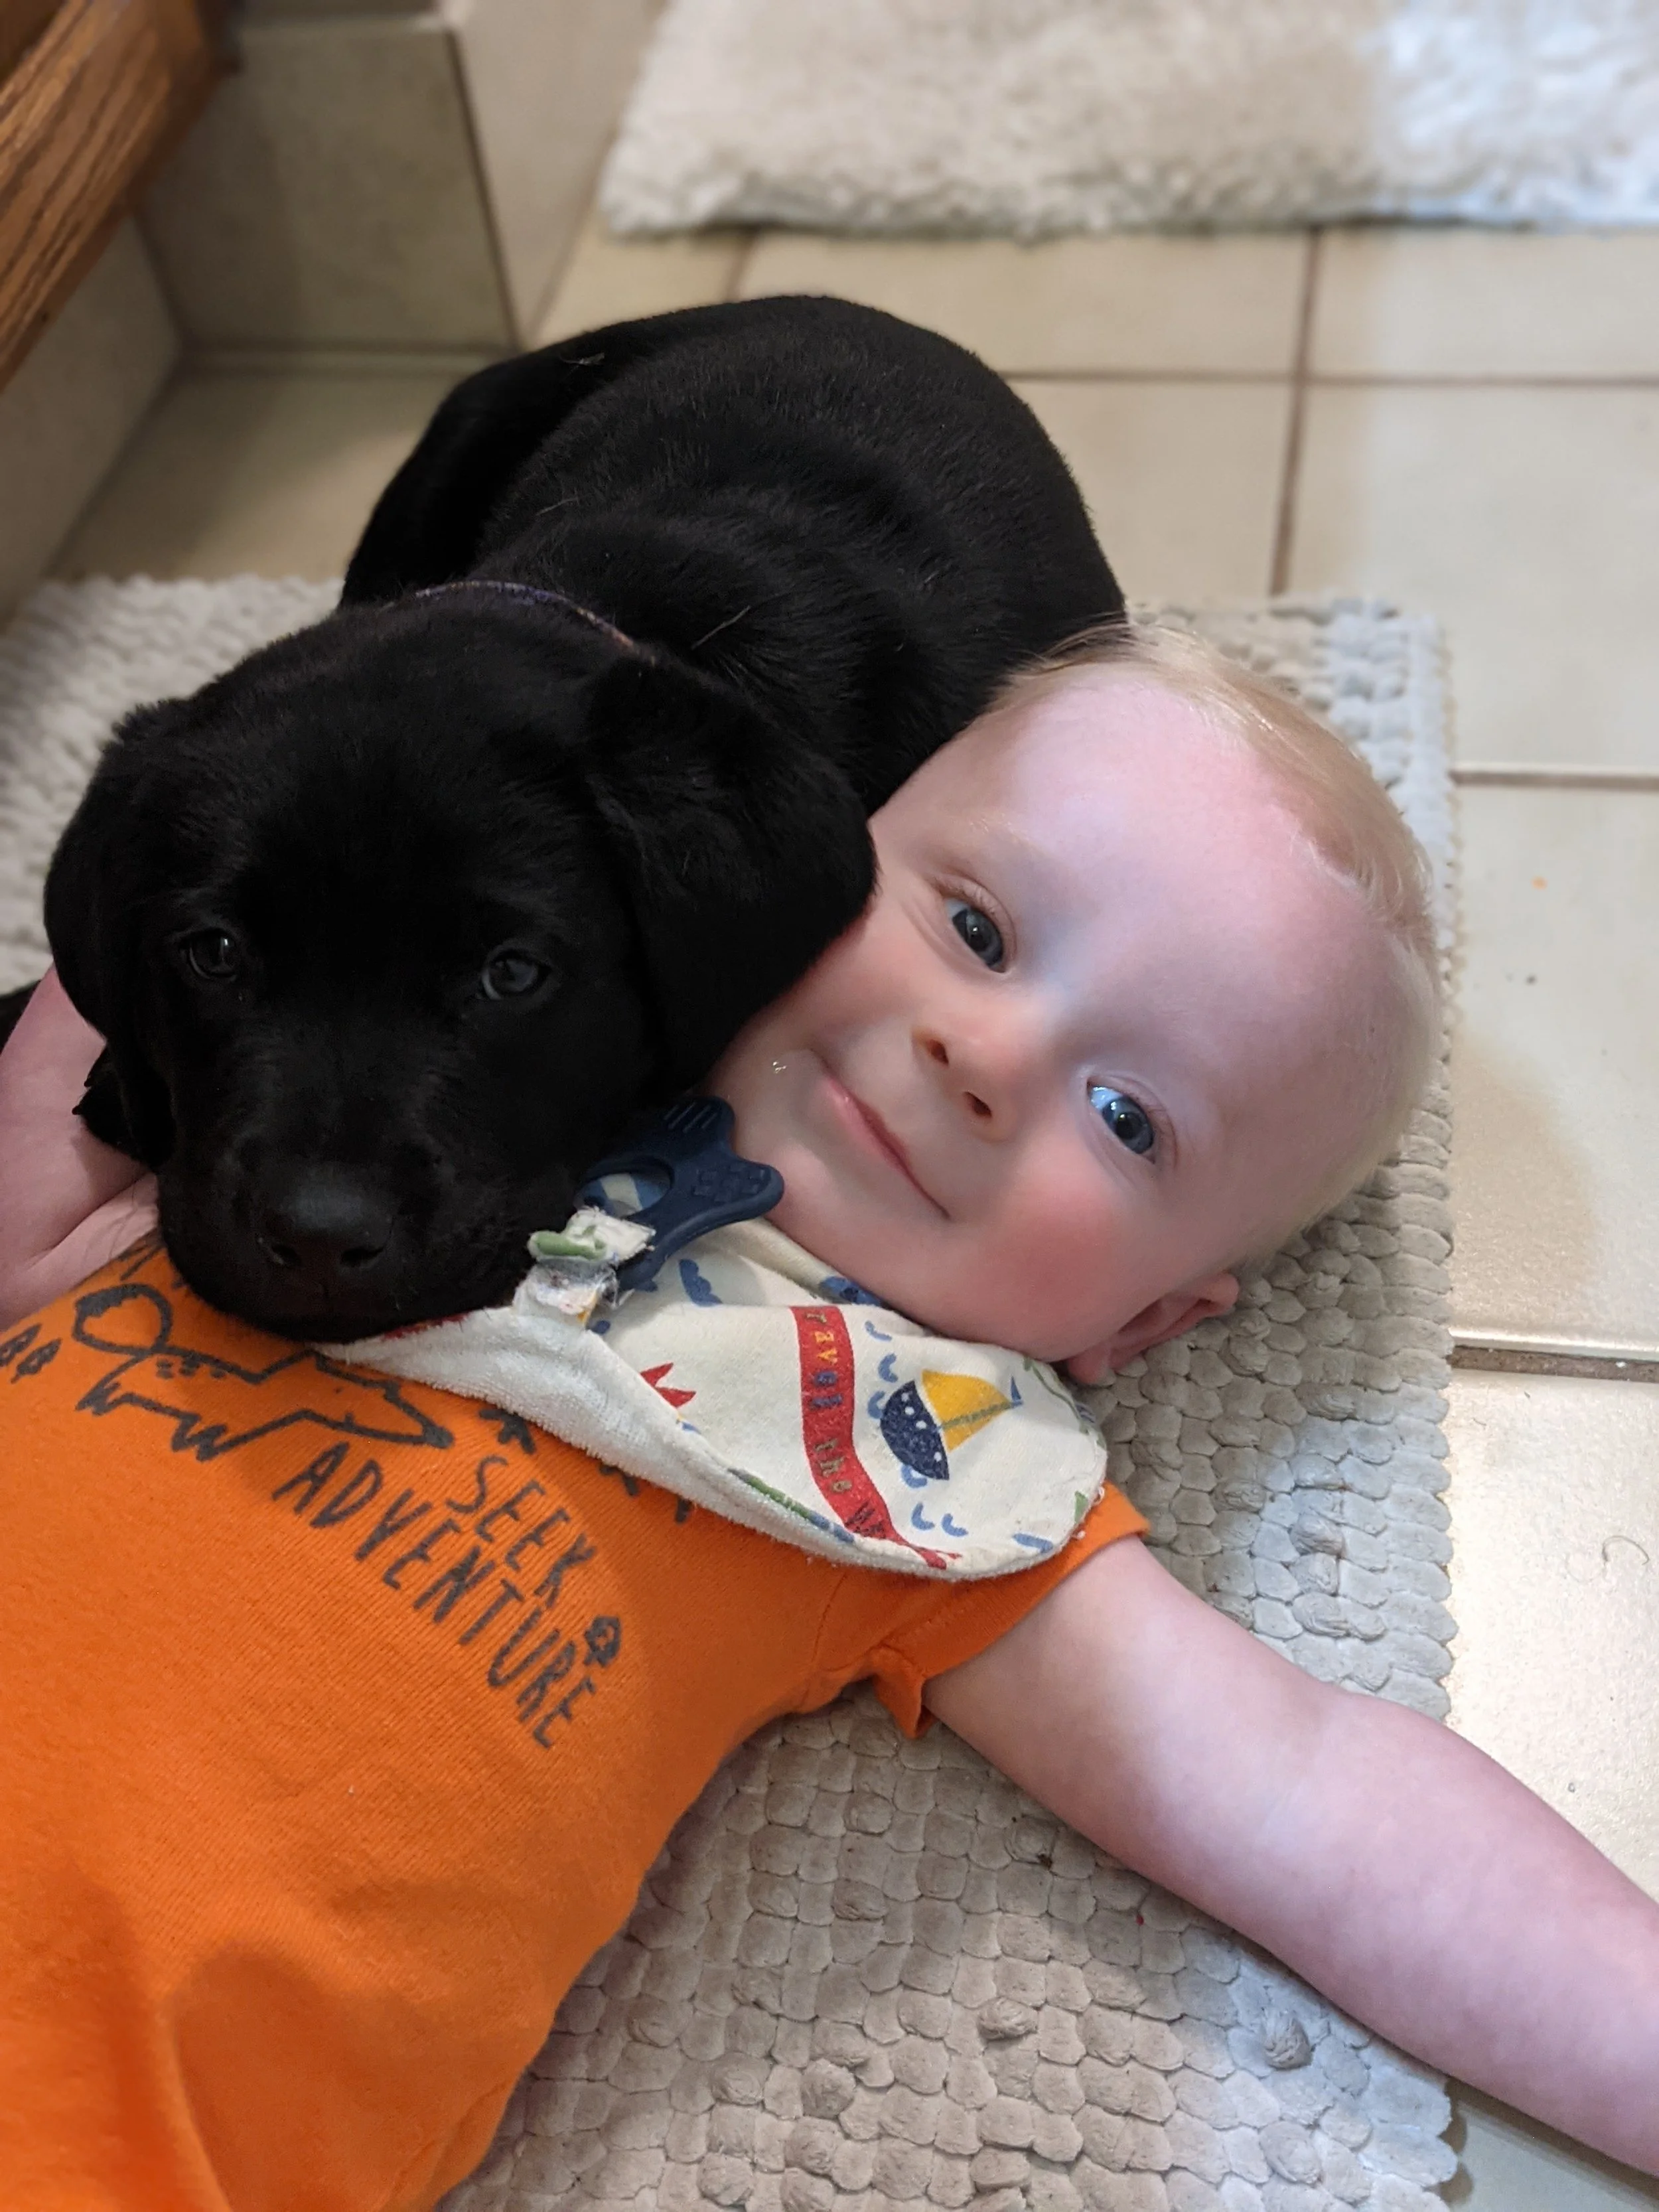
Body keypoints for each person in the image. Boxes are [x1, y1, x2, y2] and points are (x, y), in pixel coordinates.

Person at [0, 628, 1654, 2209]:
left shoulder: (917, 1461)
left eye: (1128, 1115)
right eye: (979, 929)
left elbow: (1307, 1790)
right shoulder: (499, 999)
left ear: (1143, 1322)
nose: (984, 1051)